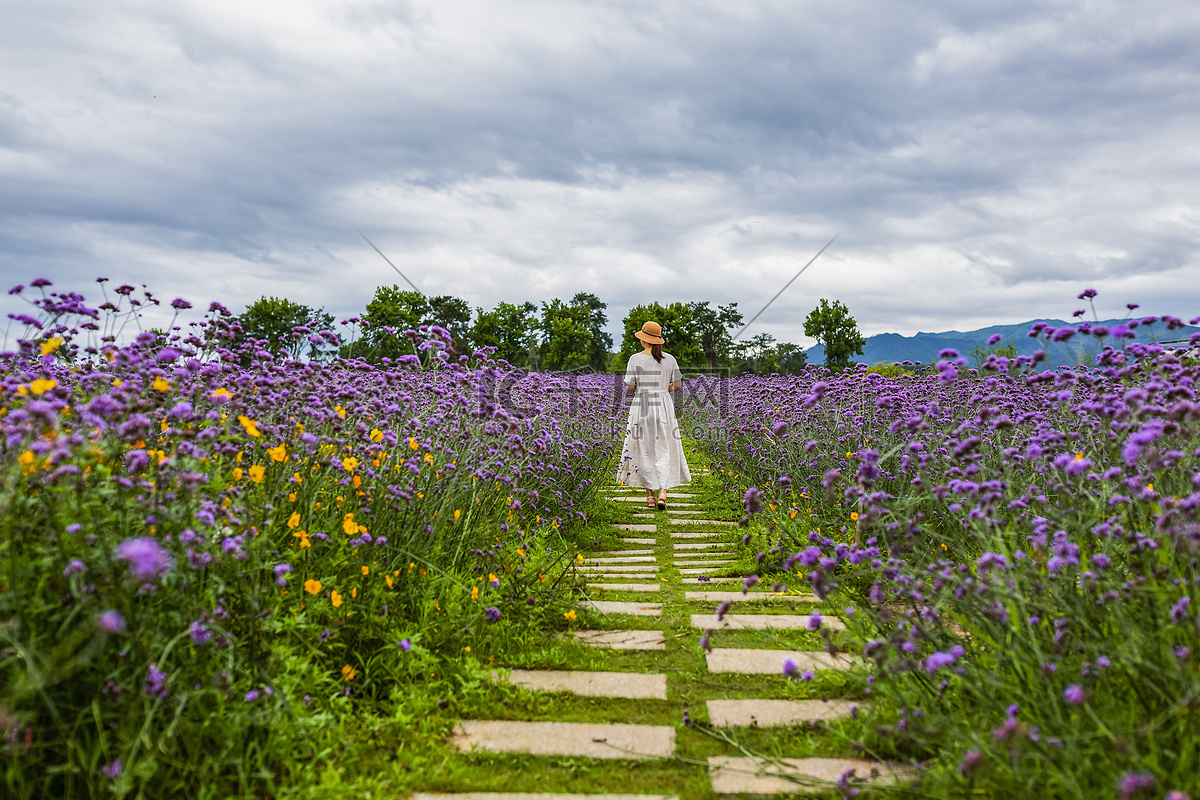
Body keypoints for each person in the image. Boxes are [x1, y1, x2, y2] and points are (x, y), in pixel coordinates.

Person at [617, 320, 691, 509]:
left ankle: (649, 496)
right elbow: (678, 386)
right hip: (664, 406)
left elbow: (630, 387)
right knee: (664, 448)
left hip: (642, 405)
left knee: (644, 450)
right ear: (658, 340)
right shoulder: (670, 359)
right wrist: (662, 386)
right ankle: (663, 492)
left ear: (643, 340)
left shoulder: (635, 359)